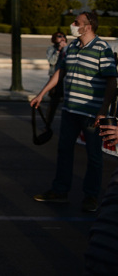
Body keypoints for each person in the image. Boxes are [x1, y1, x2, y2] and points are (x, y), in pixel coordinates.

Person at [30, 11, 117, 213]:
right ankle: (60, 190)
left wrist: (103, 111)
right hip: (70, 109)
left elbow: (112, 81)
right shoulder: (71, 47)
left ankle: (91, 196)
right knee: (64, 151)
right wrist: (42, 93)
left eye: (76, 22)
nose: (72, 25)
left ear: (87, 26)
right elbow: (61, 71)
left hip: (91, 113)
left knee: (94, 156)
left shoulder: (102, 49)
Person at [44, 31, 69, 125]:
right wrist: (58, 50)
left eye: (64, 36)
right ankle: (47, 123)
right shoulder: (52, 49)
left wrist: (65, 49)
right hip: (55, 78)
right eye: (59, 36)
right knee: (54, 102)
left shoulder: (68, 49)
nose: (62, 38)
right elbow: (52, 61)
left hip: (65, 79)